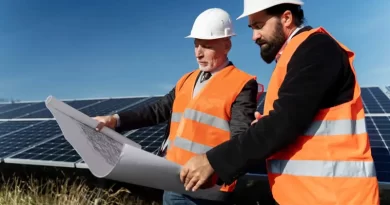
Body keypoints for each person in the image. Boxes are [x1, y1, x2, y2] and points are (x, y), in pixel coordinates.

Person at [179, 1, 380, 205]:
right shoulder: (292, 57)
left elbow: (284, 122)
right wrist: (265, 125)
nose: (254, 36)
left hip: (336, 197)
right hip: (309, 195)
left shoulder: (317, 48)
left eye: (258, 26)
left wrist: (213, 161)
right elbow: (292, 122)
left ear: (286, 18)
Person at [93, 8, 259, 205]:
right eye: (196, 45)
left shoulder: (241, 83)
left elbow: (240, 138)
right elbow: (156, 111)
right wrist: (115, 120)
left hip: (207, 192)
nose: (198, 53)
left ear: (226, 45)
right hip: (173, 184)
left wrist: (214, 166)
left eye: (206, 46)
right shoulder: (186, 80)